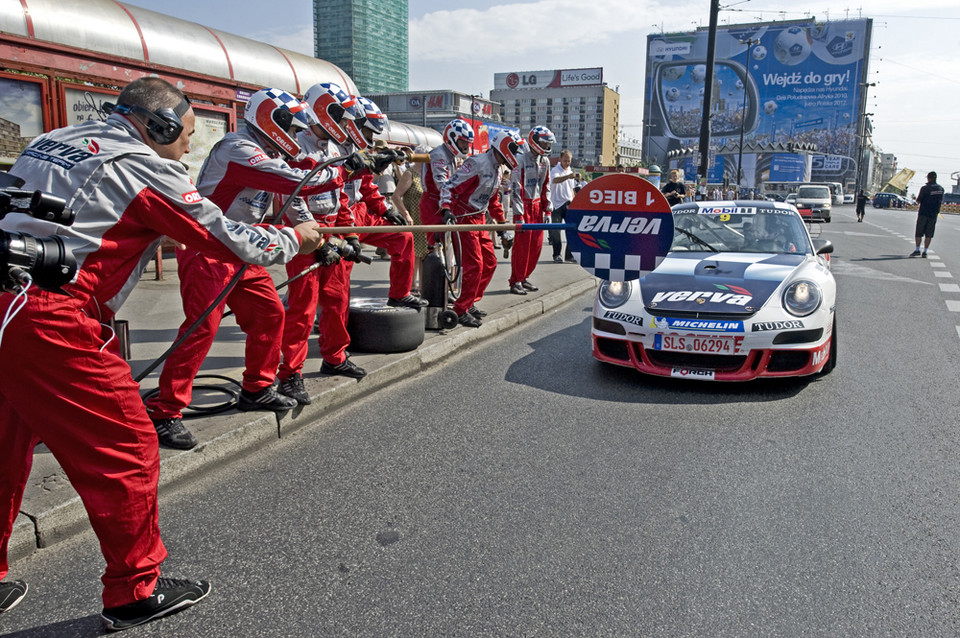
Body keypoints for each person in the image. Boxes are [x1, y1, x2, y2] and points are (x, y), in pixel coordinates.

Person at [0, 77, 322, 630]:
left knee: (4, 449)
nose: (188, 150)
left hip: (11, 299)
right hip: (50, 315)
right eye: (186, 137)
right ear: (161, 126)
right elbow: (230, 240)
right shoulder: (144, 165)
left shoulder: (53, 137)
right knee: (127, 445)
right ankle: (132, 592)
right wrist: (301, 239)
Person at [144, 87, 351, 447]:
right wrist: (345, 168)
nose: (294, 132)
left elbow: (289, 203)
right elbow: (297, 184)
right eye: (290, 124)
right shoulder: (238, 148)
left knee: (271, 314)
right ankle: (165, 411)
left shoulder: (267, 152)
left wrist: (321, 242)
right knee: (201, 330)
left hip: (242, 247)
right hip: (207, 249)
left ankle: (257, 387)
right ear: (271, 120)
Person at [277, 82, 366, 401]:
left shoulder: (334, 149)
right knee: (302, 306)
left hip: (332, 230)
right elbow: (291, 197)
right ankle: (290, 373)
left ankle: (335, 357)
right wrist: (314, 238)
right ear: (325, 112)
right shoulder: (295, 147)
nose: (346, 126)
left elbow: (341, 195)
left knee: (337, 299)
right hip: (305, 234)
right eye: (342, 118)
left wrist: (350, 234)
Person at [339, 96, 424, 312]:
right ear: (356, 125)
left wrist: (386, 210)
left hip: (359, 213)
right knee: (339, 268)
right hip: (337, 217)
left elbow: (366, 185)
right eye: (369, 132)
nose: (371, 137)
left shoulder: (358, 150)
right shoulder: (332, 150)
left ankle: (399, 294)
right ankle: (327, 314)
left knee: (403, 238)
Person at [440, 129, 522, 327]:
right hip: (464, 217)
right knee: (475, 264)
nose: (517, 154)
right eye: (514, 149)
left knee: (490, 262)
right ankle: (460, 310)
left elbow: (493, 201)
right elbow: (450, 186)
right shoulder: (477, 163)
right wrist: (445, 209)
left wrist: (502, 226)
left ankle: (469, 302)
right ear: (504, 146)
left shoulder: (499, 168)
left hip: (480, 219)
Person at [508, 125, 554, 295]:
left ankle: (524, 277)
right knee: (522, 247)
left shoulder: (545, 161)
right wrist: (518, 214)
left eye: (549, 144)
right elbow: (516, 187)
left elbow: (546, 186)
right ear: (534, 142)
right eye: (545, 143)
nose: (547, 147)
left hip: (537, 207)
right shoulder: (520, 160)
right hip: (524, 206)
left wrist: (547, 210)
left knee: (536, 246)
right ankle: (515, 281)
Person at [420, 119, 473, 247]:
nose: (465, 146)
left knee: (452, 245)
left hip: (445, 200)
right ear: (452, 138)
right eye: (462, 142)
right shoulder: (439, 154)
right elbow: (441, 183)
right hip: (433, 202)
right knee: (436, 245)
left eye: (467, 143)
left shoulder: (450, 155)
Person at [392, 148, 429, 294]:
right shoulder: (410, 173)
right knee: (415, 253)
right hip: (414, 217)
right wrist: (406, 214)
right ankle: (413, 285)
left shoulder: (427, 175)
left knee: (424, 253)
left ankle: (421, 285)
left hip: (425, 219)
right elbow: (396, 196)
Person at [549, 149, 577, 263]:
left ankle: (569, 255)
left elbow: (572, 188)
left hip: (568, 203)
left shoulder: (570, 170)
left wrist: (574, 199)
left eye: (569, 161)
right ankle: (556, 254)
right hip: (557, 205)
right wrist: (567, 177)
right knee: (556, 231)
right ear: (560, 159)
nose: (567, 163)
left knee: (572, 230)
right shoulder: (555, 170)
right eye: (565, 160)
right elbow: (555, 180)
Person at [911, 171, 945, 257]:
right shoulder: (941, 189)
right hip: (933, 214)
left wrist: (915, 198)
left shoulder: (925, 188)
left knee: (919, 232)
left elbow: (919, 200)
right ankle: (925, 251)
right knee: (929, 234)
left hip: (923, 213)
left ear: (928, 178)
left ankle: (917, 249)